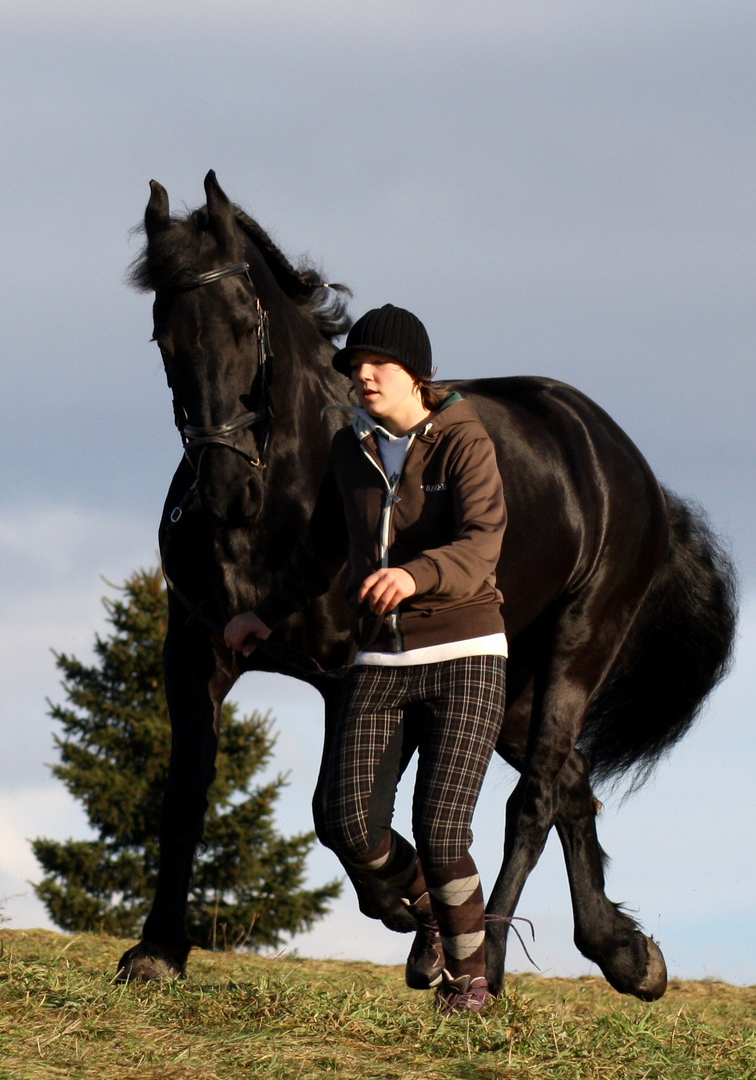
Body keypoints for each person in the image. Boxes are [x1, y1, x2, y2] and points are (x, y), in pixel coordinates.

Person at [224, 303, 508, 1014]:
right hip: (380, 658)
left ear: (417, 373)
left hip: (466, 649)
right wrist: (263, 612)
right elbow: (320, 549)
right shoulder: (349, 450)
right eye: (355, 365)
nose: (364, 375)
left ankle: (468, 983)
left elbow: (481, 545)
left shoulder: (463, 442)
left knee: (442, 827)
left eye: (378, 365)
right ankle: (443, 921)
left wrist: (416, 574)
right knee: (347, 821)